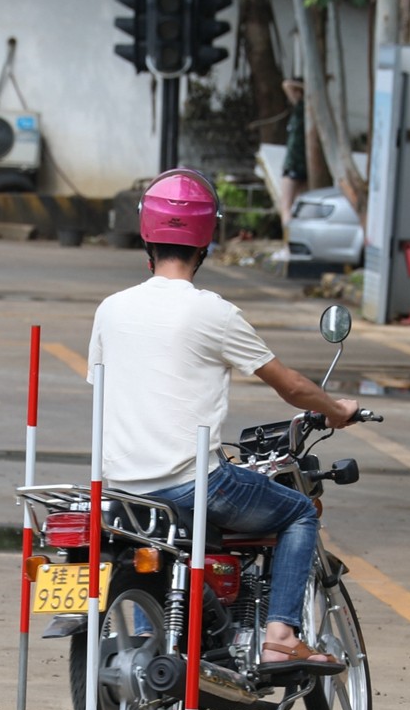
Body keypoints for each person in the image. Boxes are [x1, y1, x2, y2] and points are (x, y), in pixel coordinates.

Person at [89, 168, 359, 667]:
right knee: (298, 512)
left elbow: (105, 388)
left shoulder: (111, 310)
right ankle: (279, 636)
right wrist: (337, 409)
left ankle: (159, 648)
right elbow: (290, 386)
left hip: (121, 490)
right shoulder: (213, 312)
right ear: (205, 246)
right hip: (190, 484)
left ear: (147, 239)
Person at [276, 79, 307, 228]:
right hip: (302, 165)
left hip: (294, 164)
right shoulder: (307, 110)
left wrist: (307, 89)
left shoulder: (303, 108)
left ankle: (289, 243)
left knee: (286, 208)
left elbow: (286, 84)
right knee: (298, 208)